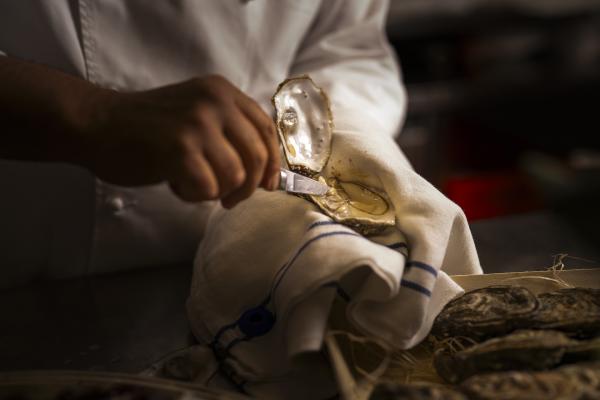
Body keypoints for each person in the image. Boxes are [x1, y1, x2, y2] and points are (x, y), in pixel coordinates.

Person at [0, 0, 406, 286]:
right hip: (19, 281)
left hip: (230, 280)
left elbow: (349, 51)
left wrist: (320, 145)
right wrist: (92, 113)